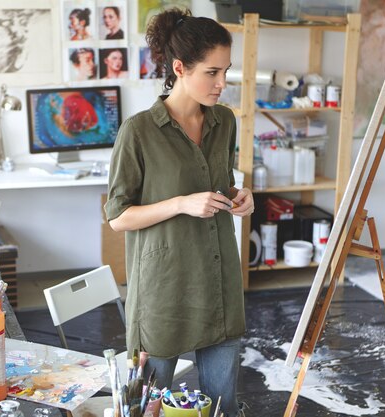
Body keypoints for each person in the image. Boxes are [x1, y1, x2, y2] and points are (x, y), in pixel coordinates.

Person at [104, 8, 253, 417]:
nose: (222, 83)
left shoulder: (224, 121)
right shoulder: (138, 132)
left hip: (219, 286)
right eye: (212, 72)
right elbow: (117, 216)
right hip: (164, 294)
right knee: (144, 410)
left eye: (227, 71)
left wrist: (242, 197)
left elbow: (221, 184)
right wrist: (182, 204)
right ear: (180, 68)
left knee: (221, 408)